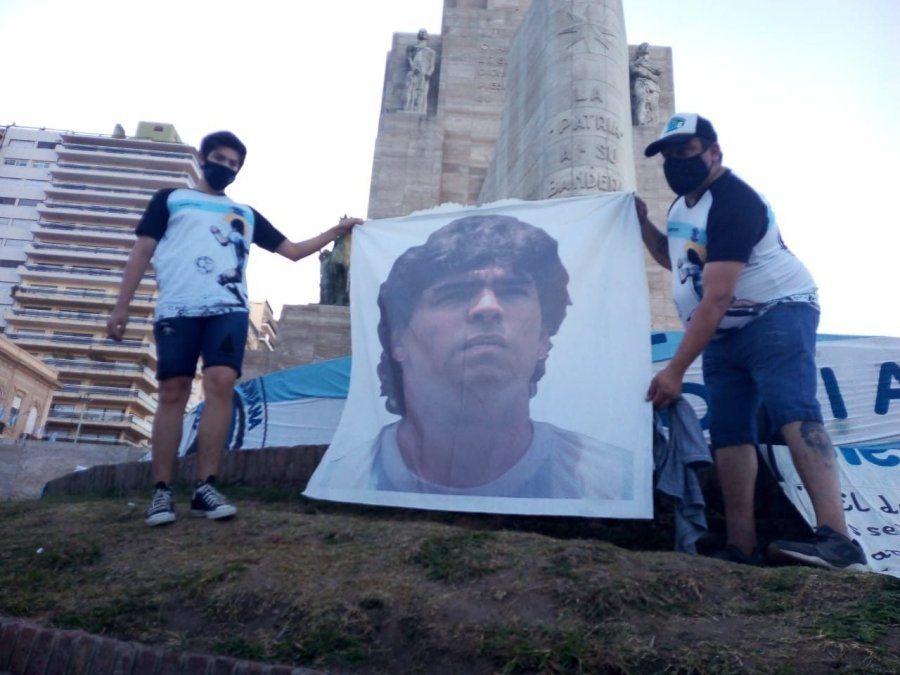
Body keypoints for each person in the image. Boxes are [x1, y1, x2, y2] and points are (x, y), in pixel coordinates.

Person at [636, 113, 866, 570]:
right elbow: (675, 260)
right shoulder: (680, 208)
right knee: (729, 432)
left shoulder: (734, 201)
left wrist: (675, 370)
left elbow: (718, 294)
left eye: (686, 151)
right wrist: (642, 223)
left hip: (777, 312)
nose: (677, 162)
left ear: (714, 152)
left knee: (793, 411)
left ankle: (838, 539)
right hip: (724, 330)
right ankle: (740, 547)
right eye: (669, 155)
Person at [108, 130, 362, 527]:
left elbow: (292, 251)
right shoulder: (170, 199)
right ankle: (161, 491)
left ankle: (205, 487)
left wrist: (337, 230)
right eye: (220, 159)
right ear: (203, 158)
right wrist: (121, 306)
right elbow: (142, 251)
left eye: (234, 164)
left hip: (229, 310)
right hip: (177, 308)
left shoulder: (245, 213)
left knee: (221, 384)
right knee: (173, 391)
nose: (226, 167)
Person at [315, 214, 632, 499]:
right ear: (398, 341)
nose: (488, 307)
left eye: (512, 292)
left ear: (542, 338)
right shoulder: (342, 480)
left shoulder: (615, 481)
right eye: (455, 294)